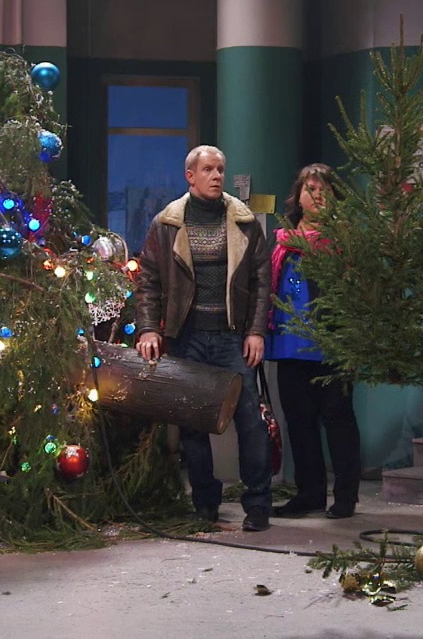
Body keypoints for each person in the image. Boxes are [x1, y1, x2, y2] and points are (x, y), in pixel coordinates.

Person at [134, 144, 273, 532]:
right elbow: (148, 280)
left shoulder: (244, 222)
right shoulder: (167, 224)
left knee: (250, 421)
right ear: (190, 176)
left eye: (220, 170)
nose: (216, 176)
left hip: (231, 337)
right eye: (208, 169)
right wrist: (148, 327)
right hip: (188, 336)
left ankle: (258, 504)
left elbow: (262, 281)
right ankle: (205, 503)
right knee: (193, 426)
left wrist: (255, 331)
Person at [267, 163, 361, 520]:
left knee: (338, 420)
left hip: (331, 344)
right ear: (298, 195)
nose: (317, 195)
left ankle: (346, 496)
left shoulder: (344, 242)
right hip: (288, 344)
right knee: (299, 422)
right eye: (311, 188)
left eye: (324, 190)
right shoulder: (281, 240)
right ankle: (309, 494)